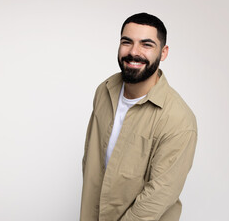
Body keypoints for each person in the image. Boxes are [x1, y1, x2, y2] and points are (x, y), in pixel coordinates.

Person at [80, 13, 197, 221]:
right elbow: (92, 165)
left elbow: (157, 197)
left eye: (146, 45)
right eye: (127, 42)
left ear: (163, 52)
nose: (134, 52)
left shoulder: (179, 120)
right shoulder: (104, 91)